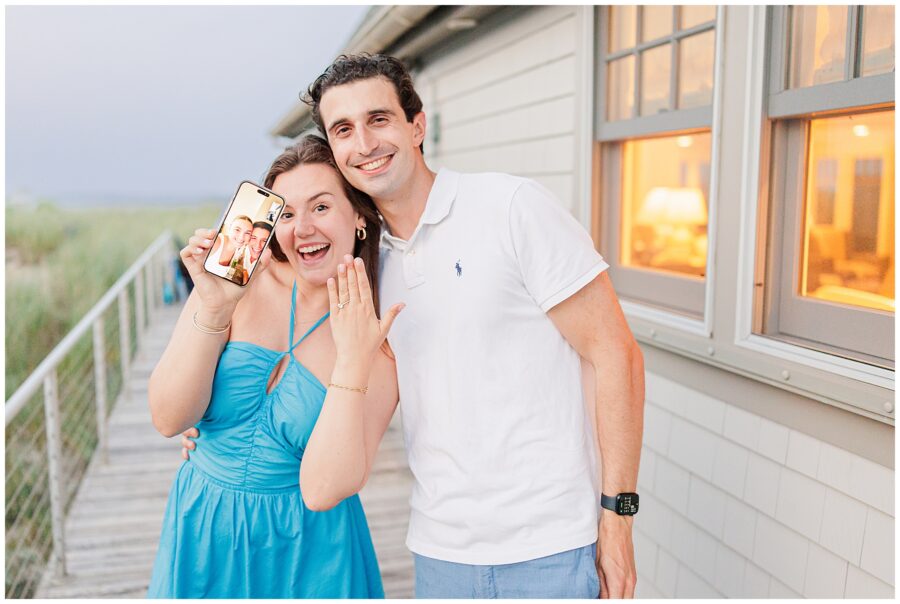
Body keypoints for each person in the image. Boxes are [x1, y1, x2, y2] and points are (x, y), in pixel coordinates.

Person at [186, 54, 645, 599]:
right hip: (440, 552)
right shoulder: (367, 275)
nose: (365, 143)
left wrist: (617, 516)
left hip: (550, 548)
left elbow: (616, 353)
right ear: (334, 150)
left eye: (379, 119)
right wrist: (223, 428)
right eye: (343, 129)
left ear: (417, 125)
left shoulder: (511, 208)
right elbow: (332, 442)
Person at [147, 135, 403, 598]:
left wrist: (351, 360)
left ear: (359, 218)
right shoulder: (236, 284)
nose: (301, 227)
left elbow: (325, 487)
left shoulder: (375, 342)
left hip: (311, 551)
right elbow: (168, 418)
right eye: (286, 213)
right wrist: (213, 309)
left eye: (321, 207)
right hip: (203, 527)